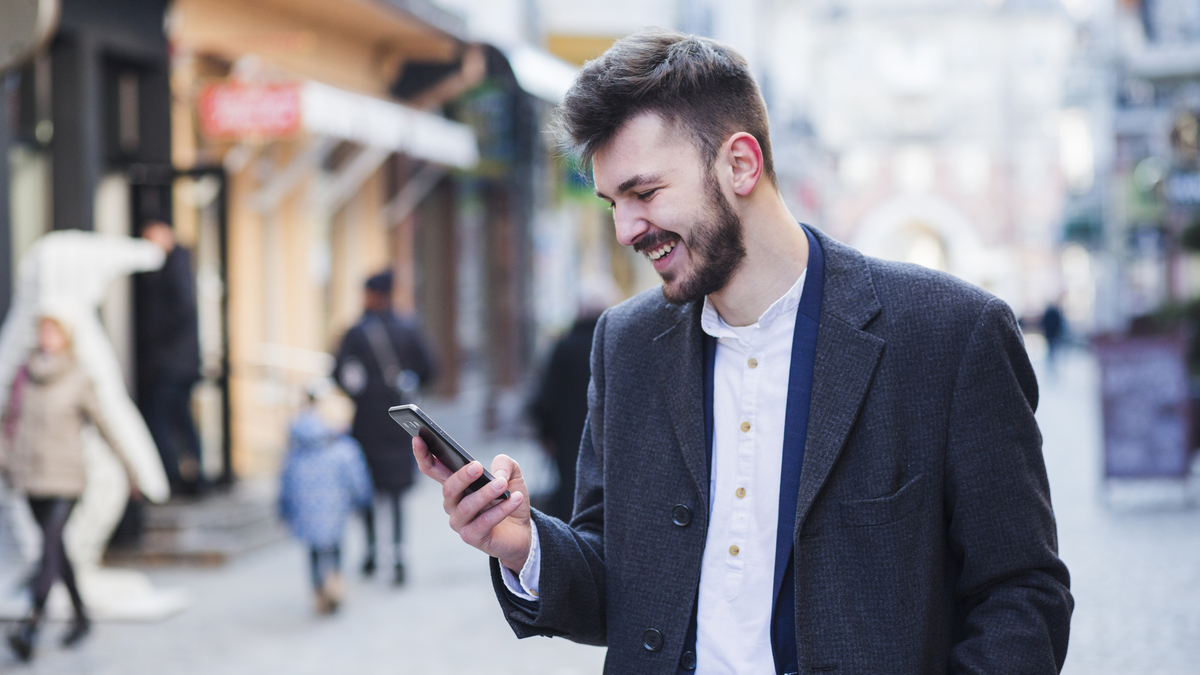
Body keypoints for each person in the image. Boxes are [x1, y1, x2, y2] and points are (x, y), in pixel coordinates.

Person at [415, 29, 1073, 674]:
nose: (625, 230)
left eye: (644, 193)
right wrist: (524, 544)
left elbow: (1023, 592)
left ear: (740, 164)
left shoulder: (950, 334)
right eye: (613, 202)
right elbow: (620, 586)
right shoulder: (625, 344)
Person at [1, 313, 139, 661]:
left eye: (53, 332)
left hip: (66, 477)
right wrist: (5, 459)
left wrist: (129, 468)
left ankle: (31, 623)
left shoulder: (79, 377)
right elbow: (8, 421)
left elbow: (104, 424)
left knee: (49, 545)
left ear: (66, 338)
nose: (46, 338)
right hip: (29, 475)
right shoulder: (23, 375)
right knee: (56, 549)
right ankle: (81, 616)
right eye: (42, 331)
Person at [334, 270, 435, 586]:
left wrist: (359, 391)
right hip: (399, 423)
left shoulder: (356, 333)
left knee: (367, 490)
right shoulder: (408, 328)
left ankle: (371, 552)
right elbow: (430, 368)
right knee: (396, 493)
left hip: (366, 424)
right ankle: (399, 554)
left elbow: (339, 373)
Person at [278, 386, 374, 615]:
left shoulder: (295, 450)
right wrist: (362, 499)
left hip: (306, 512)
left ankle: (318, 592)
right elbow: (357, 477)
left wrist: (285, 509)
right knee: (335, 547)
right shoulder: (341, 447)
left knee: (313, 551)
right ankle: (335, 586)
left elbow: (285, 483)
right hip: (335, 509)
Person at [529, 280, 616, 521]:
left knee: (571, 494)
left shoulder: (564, 347)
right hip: (609, 439)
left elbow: (545, 397)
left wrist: (545, 434)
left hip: (567, 440)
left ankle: (571, 536)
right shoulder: (617, 346)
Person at [135, 219, 204, 496]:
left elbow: (179, 310)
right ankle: (191, 475)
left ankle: (175, 475)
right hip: (174, 361)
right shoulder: (173, 265)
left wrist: (151, 335)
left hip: (172, 363)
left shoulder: (173, 266)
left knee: (160, 418)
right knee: (178, 418)